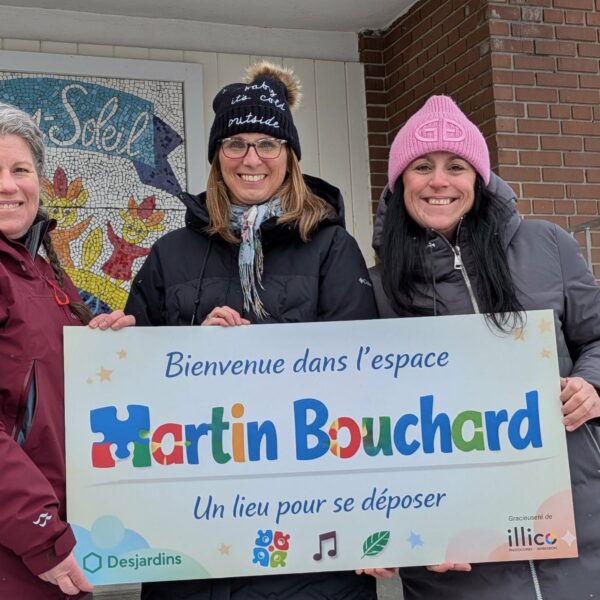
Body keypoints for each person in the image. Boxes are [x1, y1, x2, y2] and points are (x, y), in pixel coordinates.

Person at [125, 62, 378, 598]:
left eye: (268, 143)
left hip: (309, 543)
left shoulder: (331, 248)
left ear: (290, 155)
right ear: (217, 156)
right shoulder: (171, 253)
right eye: (236, 143)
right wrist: (188, 352)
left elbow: (362, 382)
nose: (251, 158)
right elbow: (133, 383)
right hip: (193, 535)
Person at [369, 94, 600, 599]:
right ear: (400, 182)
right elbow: (362, 422)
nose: (439, 181)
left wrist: (591, 385)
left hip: (582, 528)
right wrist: (392, 531)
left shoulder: (547, 245)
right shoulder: (378, 287)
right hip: (458, 564)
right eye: (422, 167)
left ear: (480, 179)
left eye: (456, 166)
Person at [0, 102, 135, 599]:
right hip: (22, 549)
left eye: (20, 170)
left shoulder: (40, 271)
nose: (8, 186)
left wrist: (101, 346)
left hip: (53, 546)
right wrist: (42, 535)